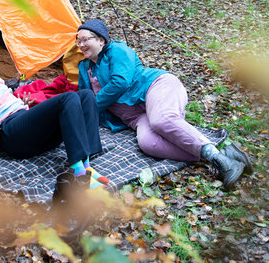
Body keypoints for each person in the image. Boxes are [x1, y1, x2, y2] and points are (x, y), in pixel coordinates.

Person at [76, 19, 253, 191]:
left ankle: (220, 161)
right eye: (78, 41)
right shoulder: (84, 67)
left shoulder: (117, 50)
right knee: (148, 143)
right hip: (135, 116)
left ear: (101, 40)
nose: (81, 44)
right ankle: (222, 153)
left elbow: (120, 82)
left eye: (85, 39)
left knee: (161, 120)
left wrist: (91, 107)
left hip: (154, 87)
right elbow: (85, 97)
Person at [0, 36, 108, 188]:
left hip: (31, 132)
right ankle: (79, 174)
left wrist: (20, 104)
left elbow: (1, 104)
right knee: (68, 98)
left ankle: (86, 164)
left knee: (86, 95)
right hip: (12, 137)